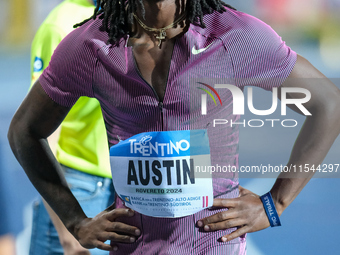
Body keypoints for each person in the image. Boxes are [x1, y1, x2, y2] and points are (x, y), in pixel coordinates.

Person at [8, 0, 340, 254]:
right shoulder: (90, 46)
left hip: (213, 243)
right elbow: (24, 130)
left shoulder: (234, 36)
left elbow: (329, 104)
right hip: (134, 244)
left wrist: (274, 204)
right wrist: (75, 220)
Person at [28, 0, 114, 254]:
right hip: (77, 193)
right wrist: (67, 230)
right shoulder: (60, 24)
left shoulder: (134, 17)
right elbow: (39, 130)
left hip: (124, 191)